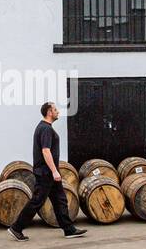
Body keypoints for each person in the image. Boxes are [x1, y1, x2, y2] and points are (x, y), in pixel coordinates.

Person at [8, 102, 87, 241]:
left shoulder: (45, 127)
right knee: (37, 202)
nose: (58, 112)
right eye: (55, 110)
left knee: (60, 201)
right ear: (49, 112)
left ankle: (69, 229)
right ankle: (16, 228)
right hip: (46, 173)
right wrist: (54, 171)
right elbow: (46, 151)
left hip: (48, 173)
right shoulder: (45, 129)